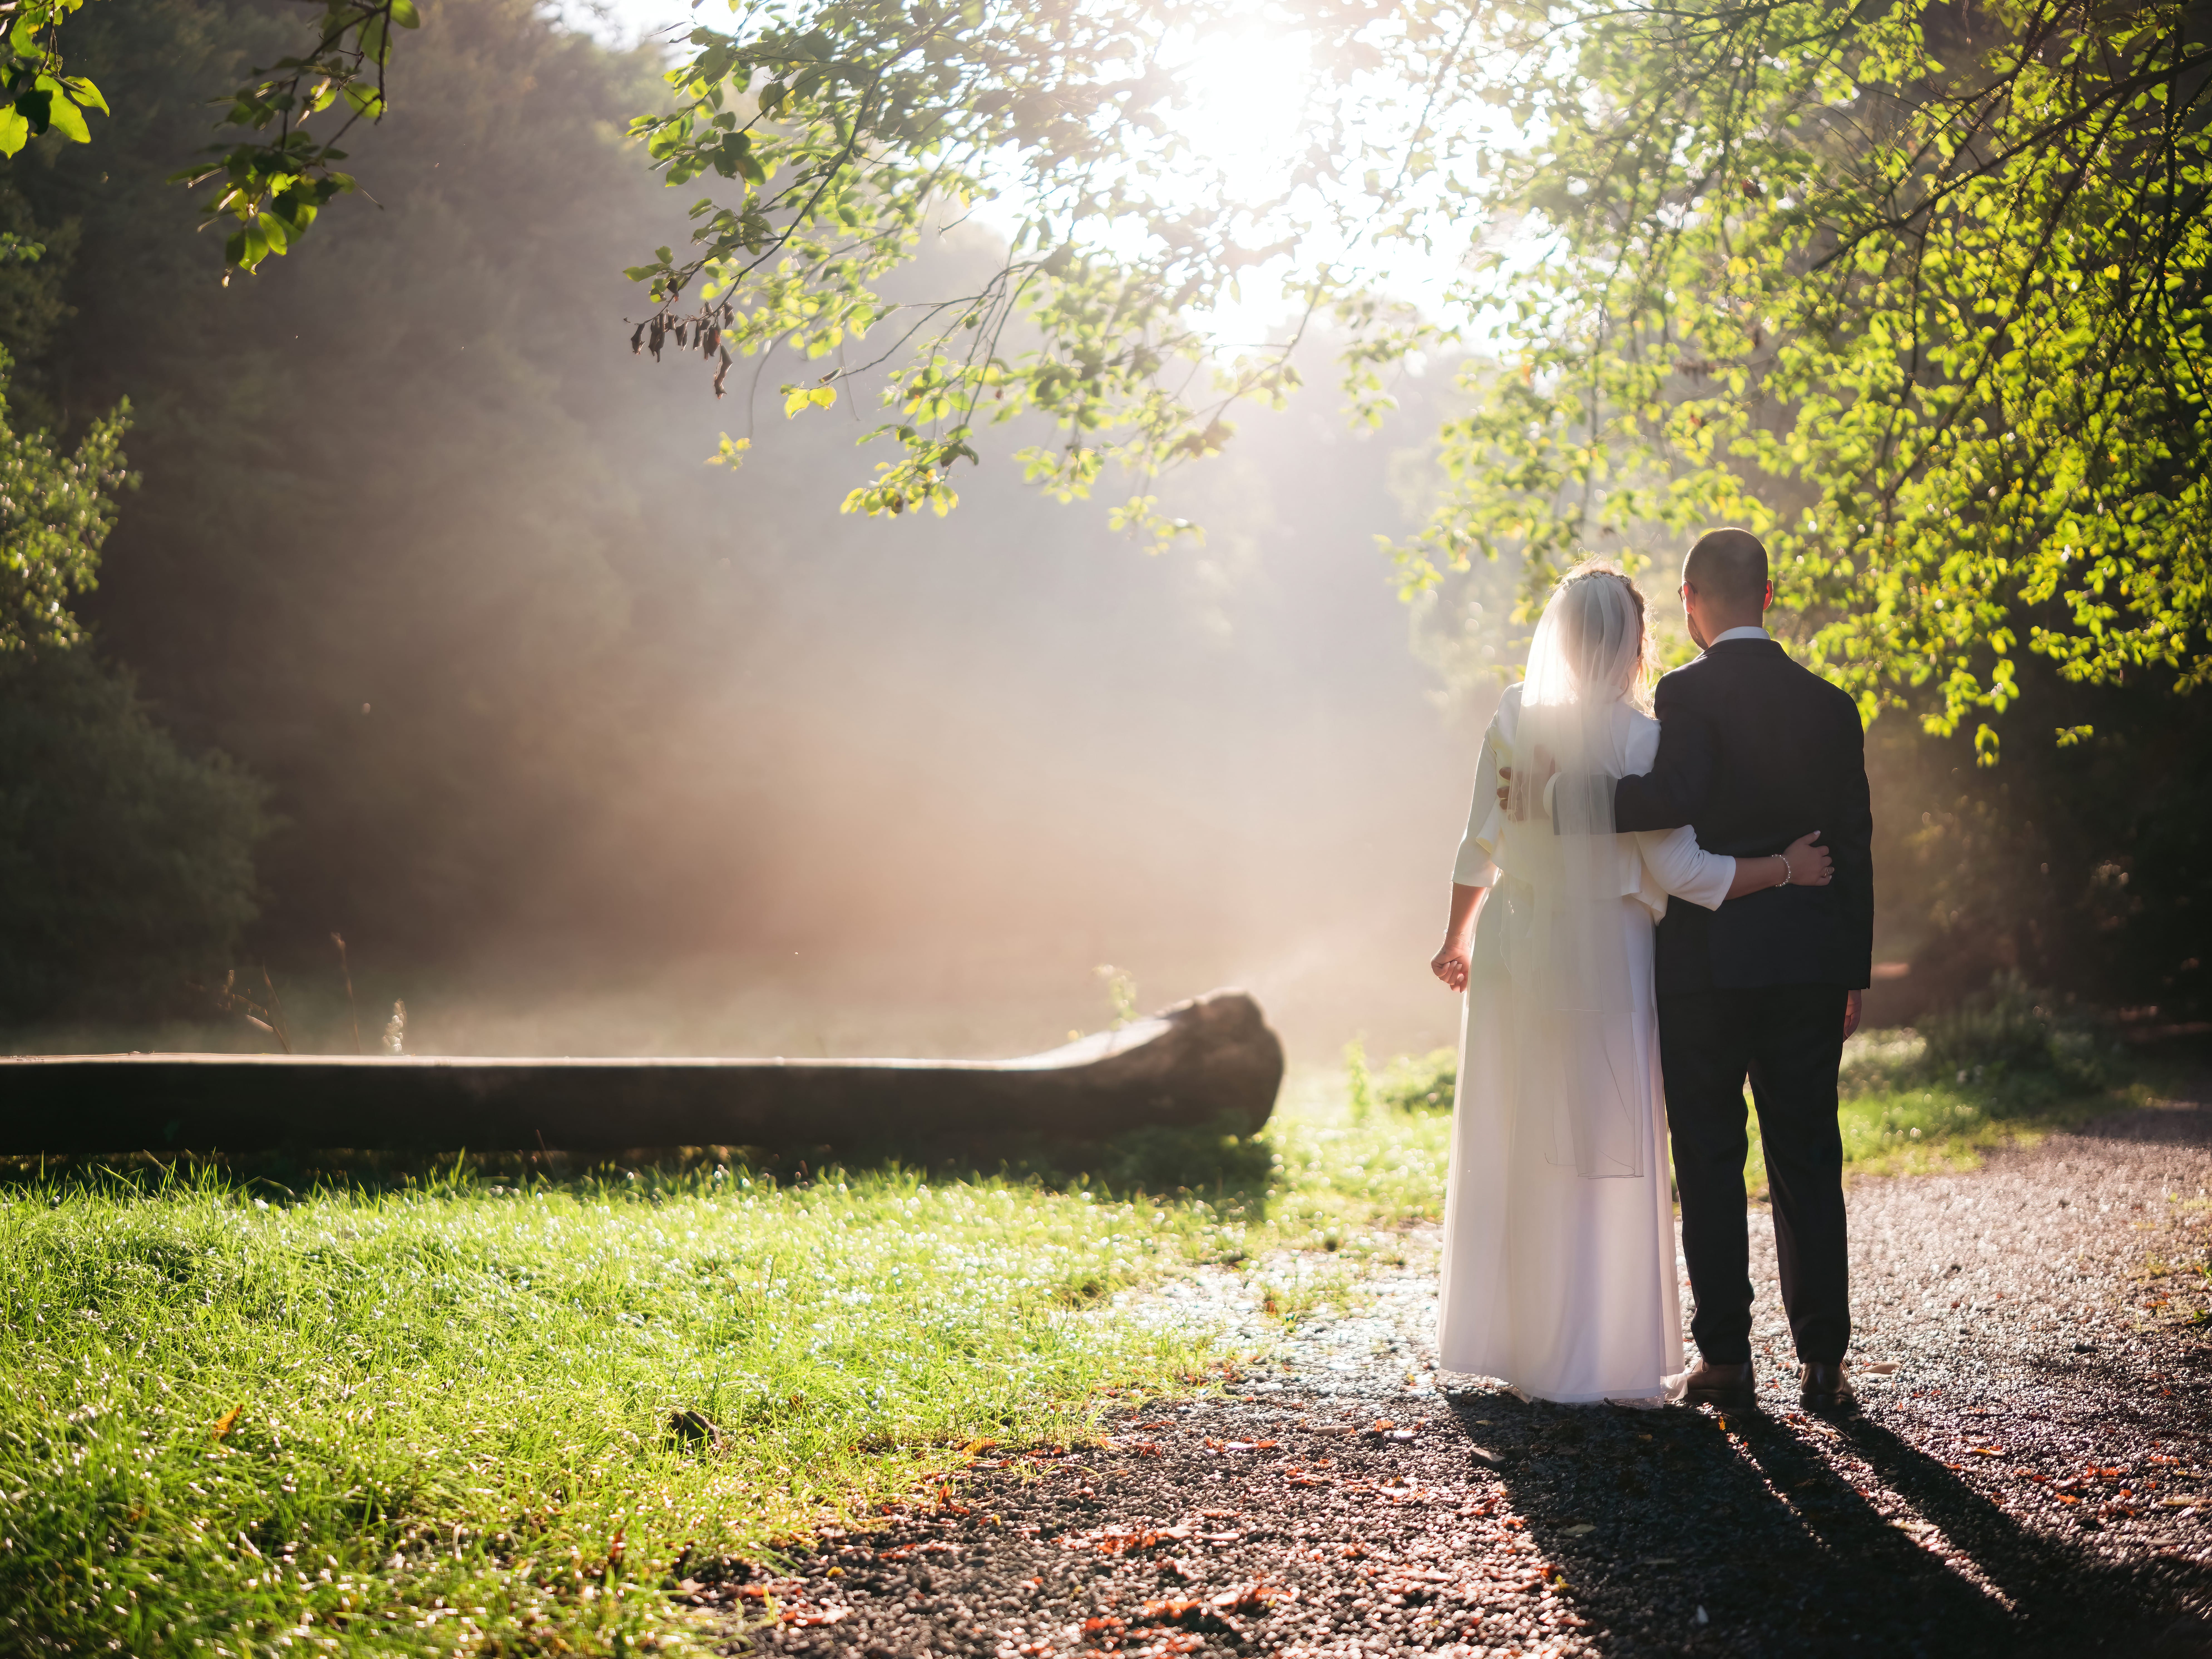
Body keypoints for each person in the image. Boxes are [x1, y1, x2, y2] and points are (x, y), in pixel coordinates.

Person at [1427, 560, 1833, 1405]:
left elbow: (1480, 842)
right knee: (1602, 1140)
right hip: (1608, 946)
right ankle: (1600, 1350)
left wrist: (1456, 938)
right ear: (1638, 641)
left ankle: (1519, 1341)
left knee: (1522, 1131)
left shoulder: (1514, 714)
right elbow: (1685, 872)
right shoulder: (1641, 737)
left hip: (1518, 941)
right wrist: (1785, 870)